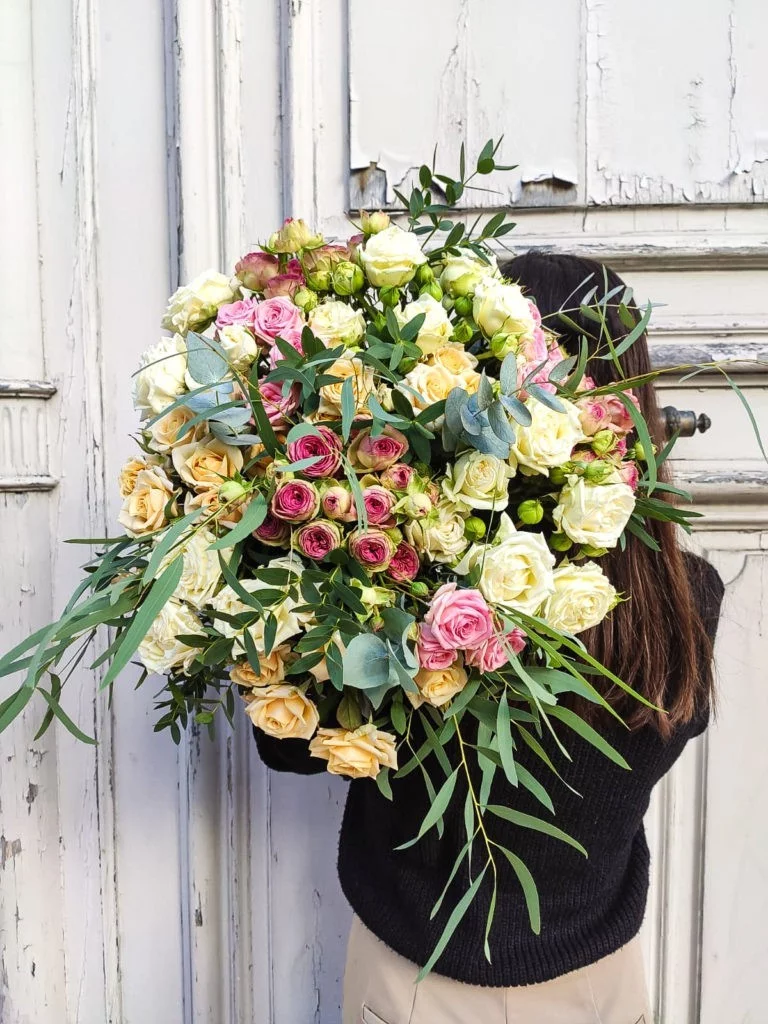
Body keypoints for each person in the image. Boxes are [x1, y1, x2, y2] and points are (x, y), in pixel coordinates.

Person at [254, 252, 725, 1024]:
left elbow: (287, 749)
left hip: (409, 979)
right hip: (594, 977)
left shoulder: (391, 579)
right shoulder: (681, 597)